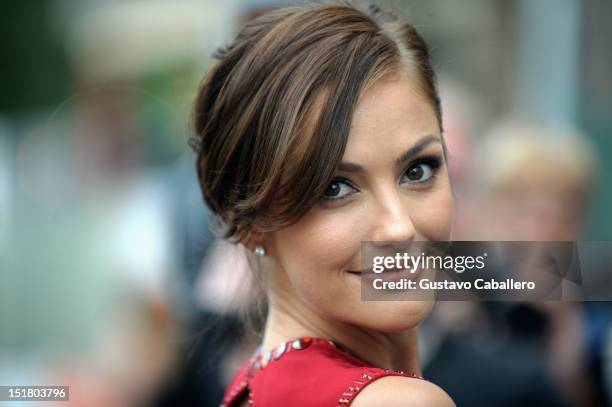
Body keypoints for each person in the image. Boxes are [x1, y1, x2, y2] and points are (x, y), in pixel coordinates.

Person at [190, 2, 455, 406]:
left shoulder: (251, 391)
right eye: (334, 188)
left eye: (417, 171)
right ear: (247, 221)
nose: (398, 227)